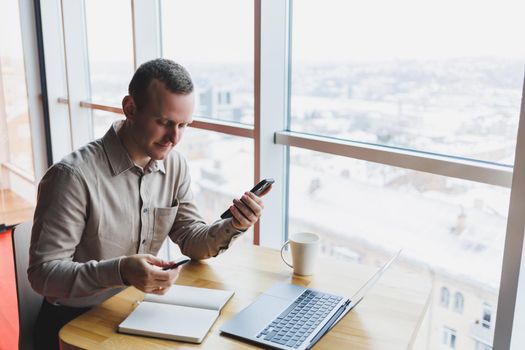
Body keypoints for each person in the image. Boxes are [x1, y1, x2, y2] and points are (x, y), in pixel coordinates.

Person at [28, 58, 270, 350]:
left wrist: (234, 224)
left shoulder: (175, 165)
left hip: (135, 310)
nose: (174, 138)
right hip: (73, 325)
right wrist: (119, 271)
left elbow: (191, 240)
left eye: (183, 125)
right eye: (165, 122)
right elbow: (43, 276)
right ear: (130, 108)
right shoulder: (72, 177)